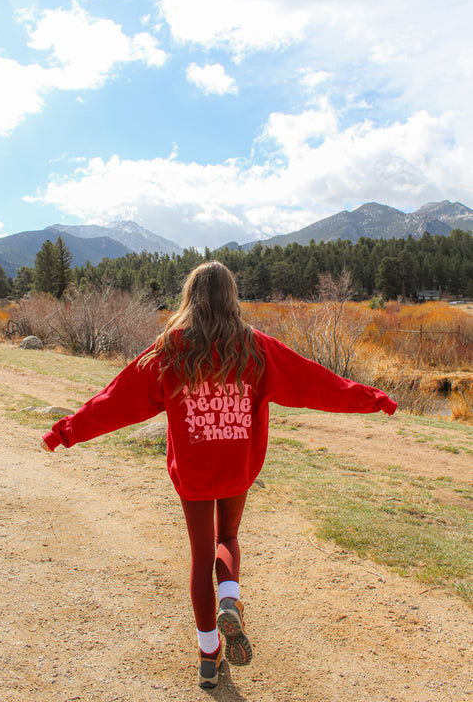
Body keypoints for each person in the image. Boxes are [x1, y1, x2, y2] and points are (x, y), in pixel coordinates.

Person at [41, 261, 397, 689]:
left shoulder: (170, 350)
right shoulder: (257, 348)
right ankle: (231, 599)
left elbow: (115, 402)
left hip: (193, 474)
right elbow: (315, 383)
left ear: (190, 297)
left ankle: (208, 653)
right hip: (236, 468)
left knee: (199, 556)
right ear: (232, 298)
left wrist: (65, 431)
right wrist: (373, 399)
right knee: (227, 537)